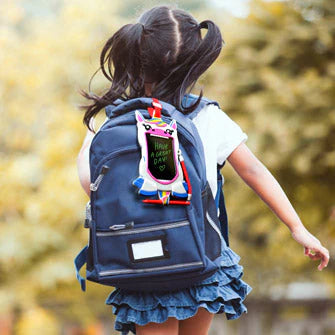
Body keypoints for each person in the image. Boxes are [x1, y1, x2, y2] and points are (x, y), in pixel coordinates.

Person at [76, 5, 330, 335]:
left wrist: (90, 139)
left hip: (142, 261)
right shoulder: (208, 118)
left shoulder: (111, 120)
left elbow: (89, 184)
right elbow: (254, 171)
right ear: (194, 66)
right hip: (200, 256)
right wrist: (297, 227)